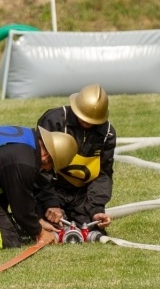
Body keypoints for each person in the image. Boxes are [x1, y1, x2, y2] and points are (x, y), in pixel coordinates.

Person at [36, 84, 115, 235]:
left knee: (92, 230)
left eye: (94, 121)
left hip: (80, 194)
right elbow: (39, 166)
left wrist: (96, 209)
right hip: (51, 187)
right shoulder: (54, 121)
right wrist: (50, 202)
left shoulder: (107, 134)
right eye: (84, 118)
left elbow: (103, 174)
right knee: (50, 226)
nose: (88, 124)